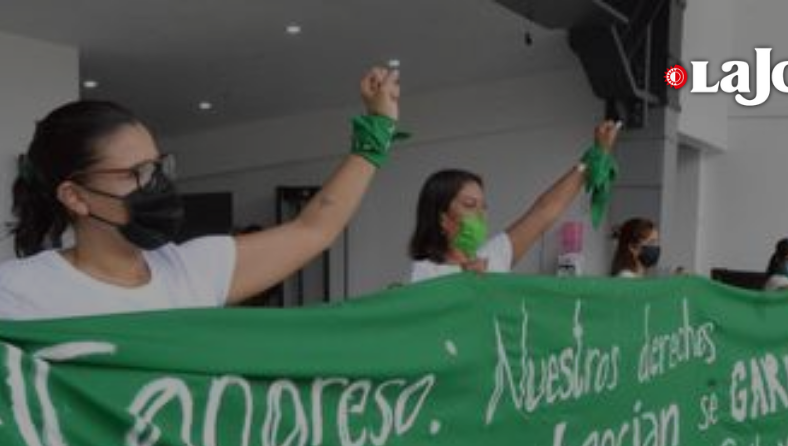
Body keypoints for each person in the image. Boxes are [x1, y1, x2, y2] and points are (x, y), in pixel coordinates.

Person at [1, 66, 401, 320]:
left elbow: (314, 229)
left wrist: (377, 130)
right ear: (75, 196)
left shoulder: (194, 271)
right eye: (135, 173)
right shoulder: (19, 293)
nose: (155, 183)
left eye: (158, 166)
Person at [408, 121, 620, 283]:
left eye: (484, 207)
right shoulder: (424, 272)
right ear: (442, 218)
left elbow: (543, 211)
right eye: (470, 205)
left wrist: (593, 158)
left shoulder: (491, 256)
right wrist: (465, 281)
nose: (481, 215)